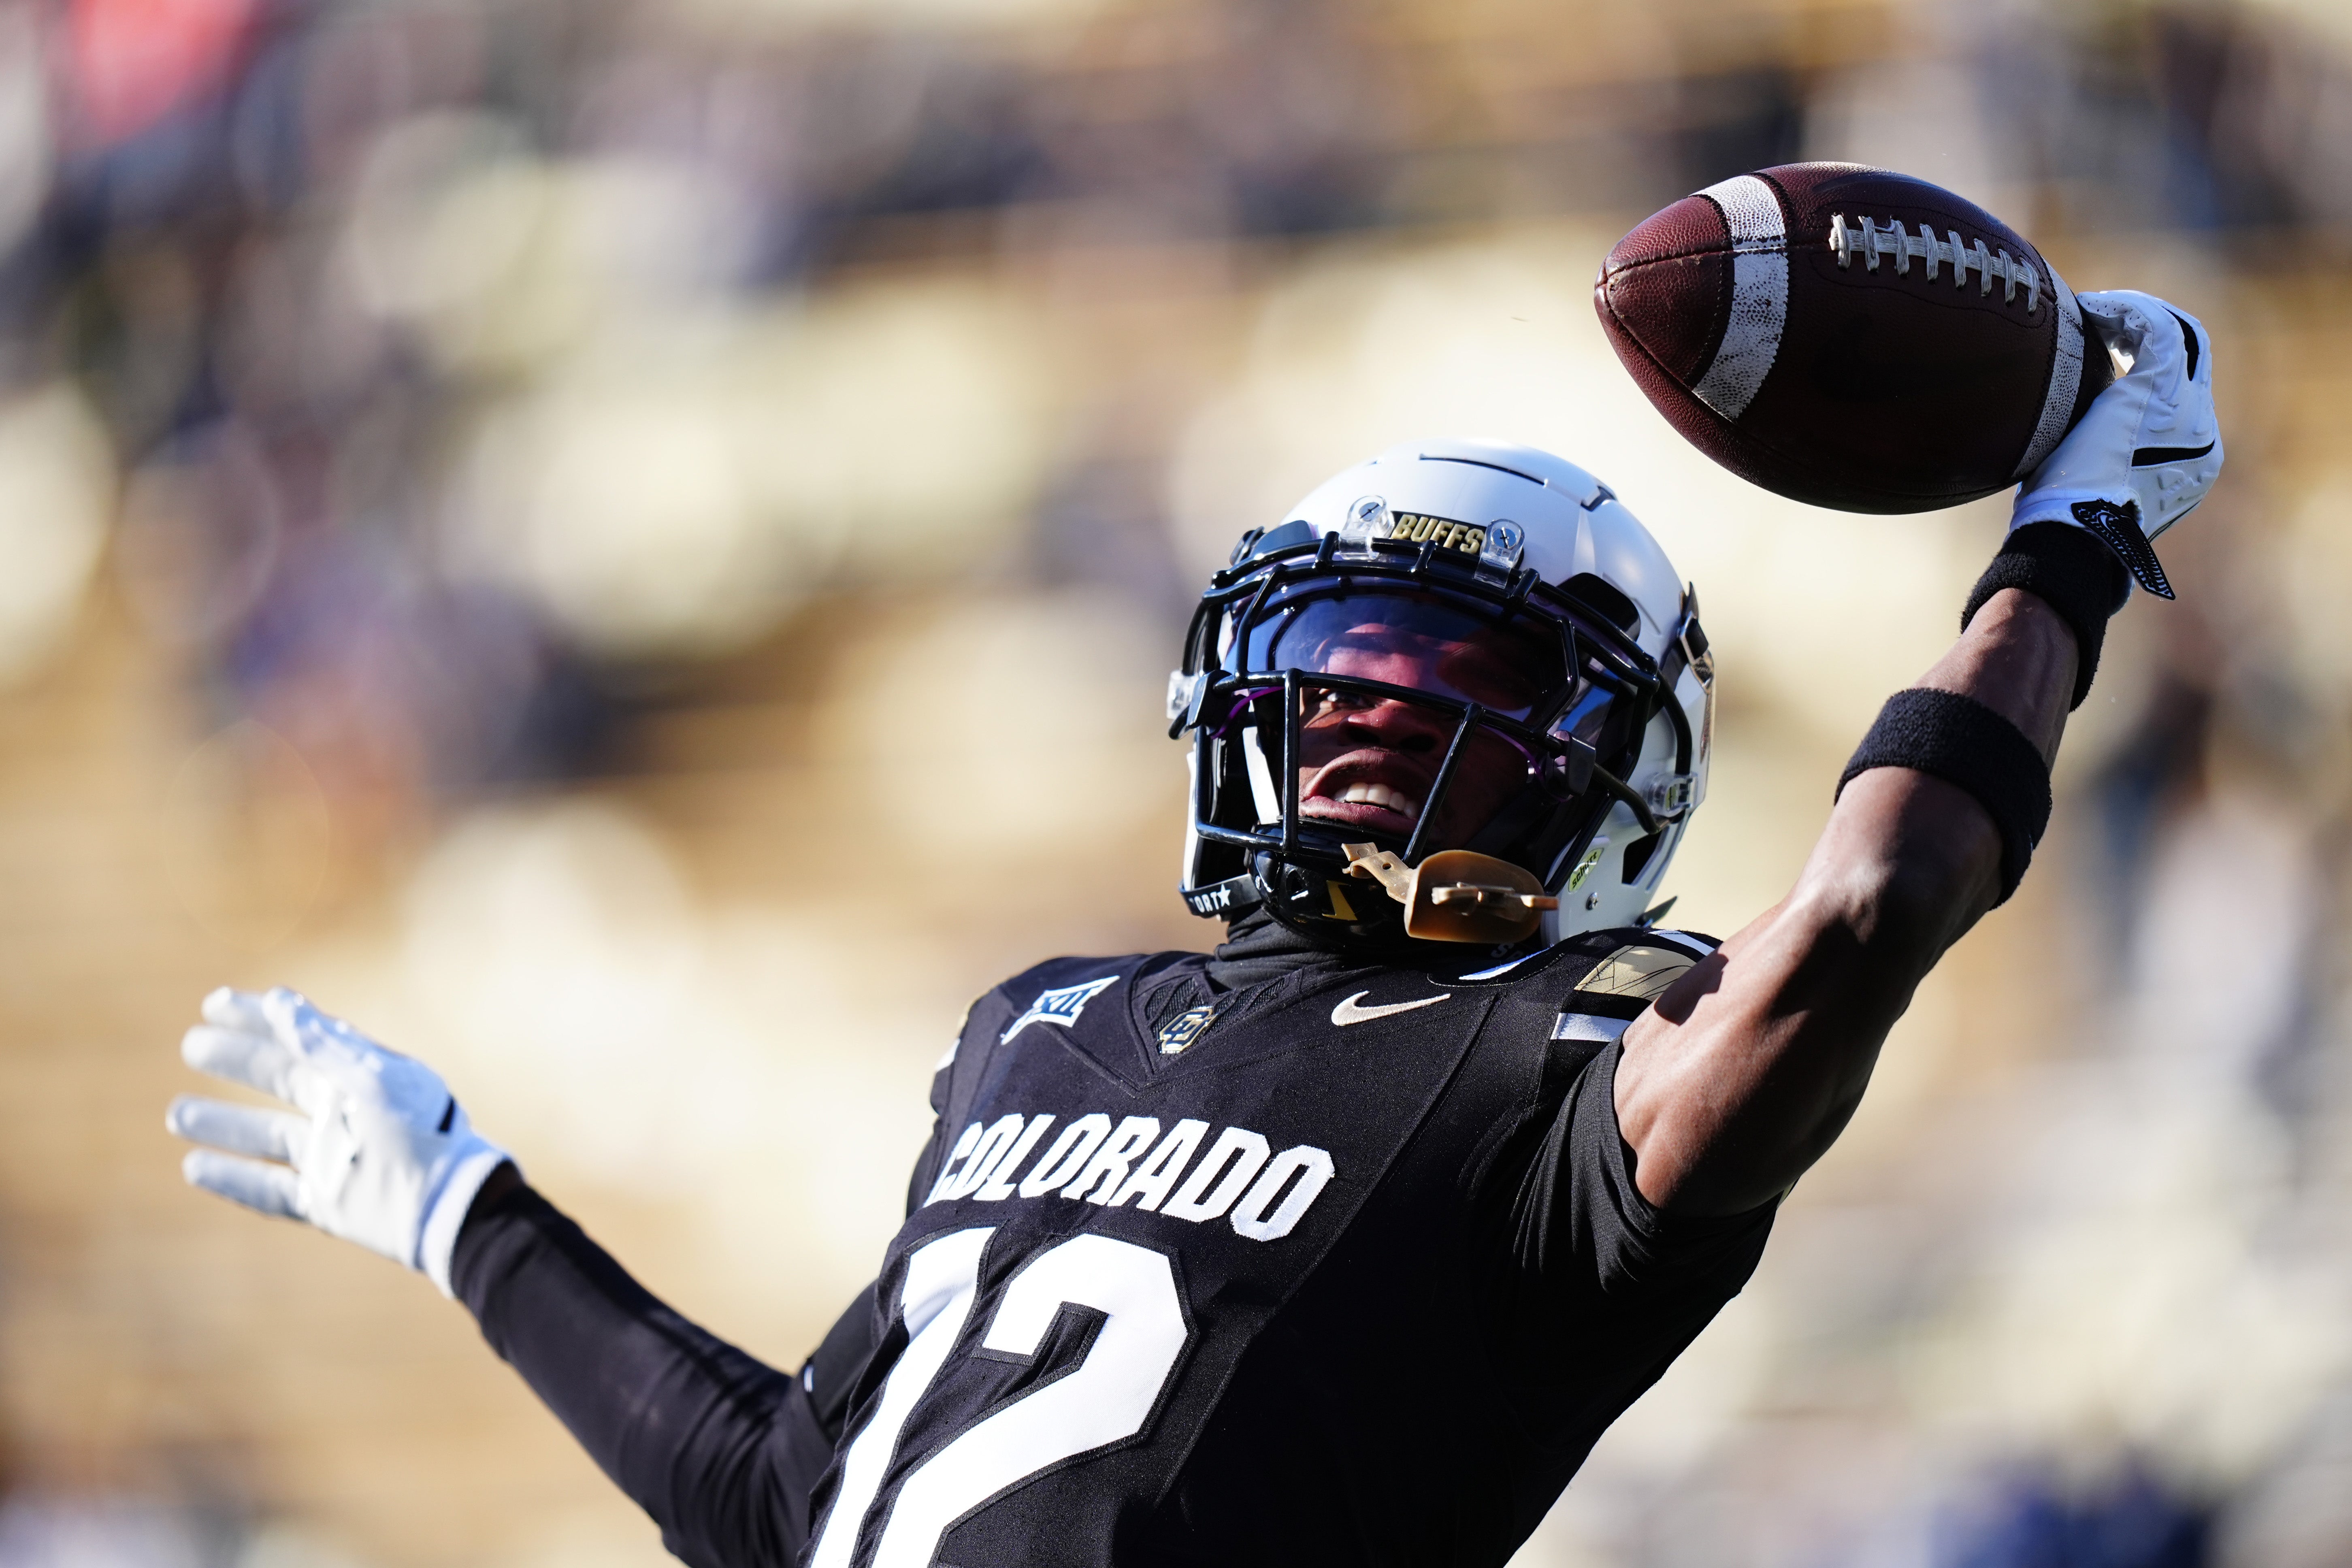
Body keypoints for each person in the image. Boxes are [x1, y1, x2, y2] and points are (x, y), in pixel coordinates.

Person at [165, 289, 2220, 1568]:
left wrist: (2065, 544)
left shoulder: (1567, 1063)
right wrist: (460, 1208)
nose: (1360, 716)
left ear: (1609, 773)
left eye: (1446, 683)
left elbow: (1868, 903)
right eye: (1334, 663)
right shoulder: (1040, 1024)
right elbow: (795, 1502)